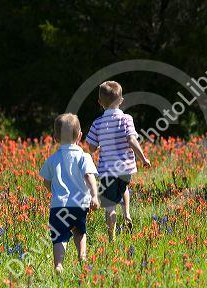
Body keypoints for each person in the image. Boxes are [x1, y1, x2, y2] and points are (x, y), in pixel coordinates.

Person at [86, 81, 151, 242]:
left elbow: (92, 148)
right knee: (124, 188)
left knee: (109, 206)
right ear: (121, 100)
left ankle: (112, 238)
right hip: (125, 168)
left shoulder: (97, 123)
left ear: (100, 103)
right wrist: (143, 158)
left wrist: (100, 141)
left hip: (107, 170)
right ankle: (127, 213)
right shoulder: (126, 119)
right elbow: (132, 140)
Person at [40, 113, 100, 274]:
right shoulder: (84, 157)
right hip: (79, 204)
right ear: (80, 136)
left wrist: (54, 192)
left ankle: (59, 264)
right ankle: (82, 257)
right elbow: (89, 177)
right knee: (80, 232)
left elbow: (46, 181)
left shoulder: (52, 159)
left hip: (58, 206)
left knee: (59, 237)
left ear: (55, 138)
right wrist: (94, 196)